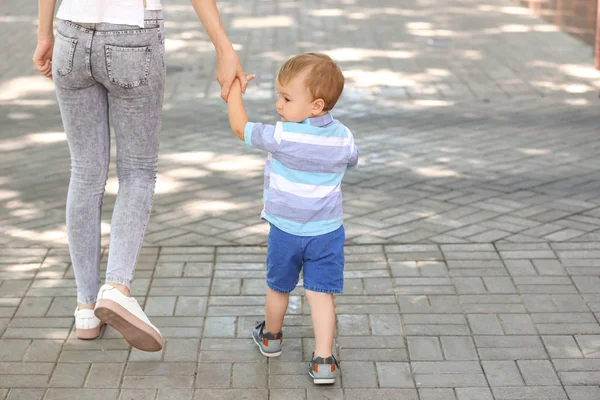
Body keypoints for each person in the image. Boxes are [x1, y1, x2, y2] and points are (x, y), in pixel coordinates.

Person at [32, 0, 248, 352]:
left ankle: (86, 307)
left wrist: (44, 35)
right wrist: (224, 48)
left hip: (70, 31)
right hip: (133, 32)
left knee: (85, 171)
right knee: (137, 172)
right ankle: (116, 289)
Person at [227, 53, 358, 384]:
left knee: (279, 287)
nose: (278, 105)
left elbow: (239, 127)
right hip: (327, 233)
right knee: (320, 293)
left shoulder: (282, 135)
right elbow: (351, 160)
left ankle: (271, 338)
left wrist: (232, 92)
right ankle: (324, 359)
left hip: (285, 231)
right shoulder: (344, 136)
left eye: (286, 98)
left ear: (315, 105)